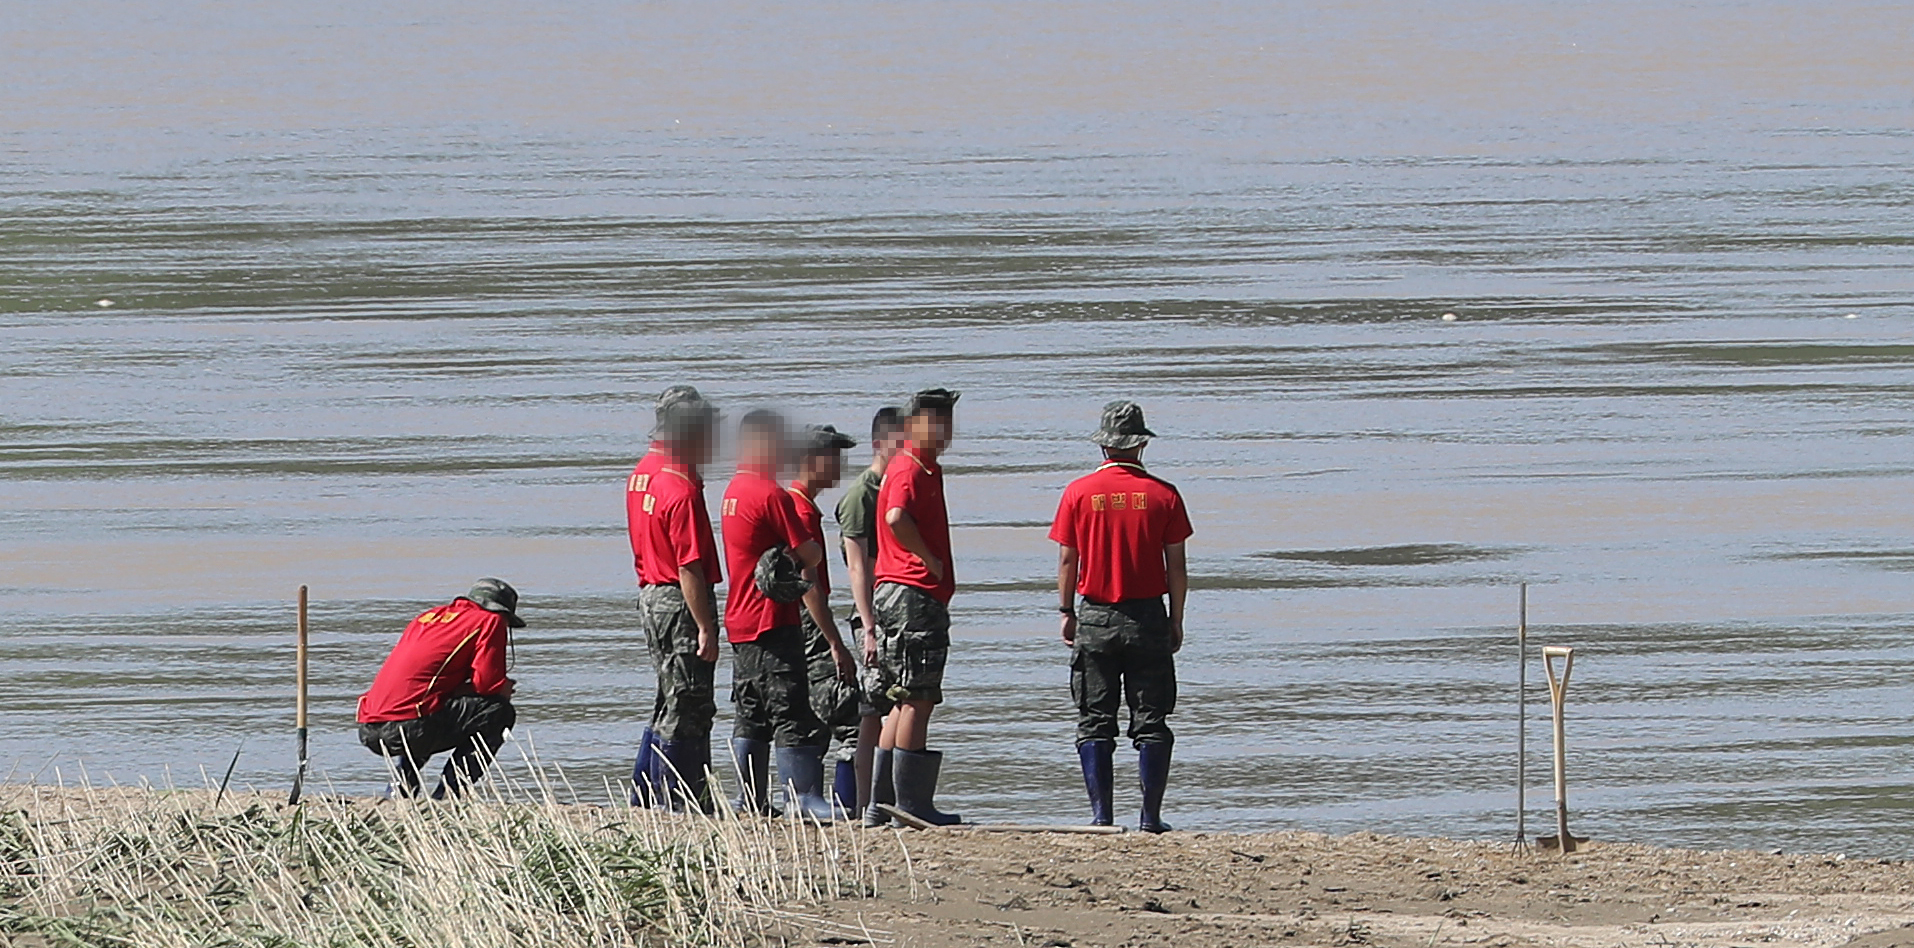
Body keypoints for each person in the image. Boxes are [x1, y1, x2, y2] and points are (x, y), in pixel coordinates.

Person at [1048, 401, 1192, 833]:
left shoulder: (1077, 493)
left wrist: (1065, 611)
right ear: (1141, 444)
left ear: (1104, 447)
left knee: (1094, 719)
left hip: (1095, 616)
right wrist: (1176, 620)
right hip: (1148, 615)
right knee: (1152, 721)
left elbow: (1066, 562)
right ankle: (1150, 818)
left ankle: (1101, 817)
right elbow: (1177, 569)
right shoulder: (1165, 495)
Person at [720, 410, 846, 820]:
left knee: (751, 712)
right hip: (771, 617)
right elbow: (811, 553)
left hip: (739, 617)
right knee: (791, 710)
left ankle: (750, 799)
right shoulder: (770, 494)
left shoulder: (732, 490)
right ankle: (803, 797)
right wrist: (797, 553)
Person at [866, 388, 962, 826]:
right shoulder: (908, 466)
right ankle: (909, 805)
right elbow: (894, 518)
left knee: (900, 698)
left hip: (902, 592)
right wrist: (928, 558)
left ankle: (879, 805)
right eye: (937, 423)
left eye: (948, 423)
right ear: (915, 424)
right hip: (911, 592)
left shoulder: (922, 466)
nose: (945, 433)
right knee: (916, 698)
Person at [627, 386, 723, 810]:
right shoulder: (680, 487)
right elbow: (689, 566)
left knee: (668, 695)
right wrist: (706, 626)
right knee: (689, 701)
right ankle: (682, 798)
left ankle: (646, 794)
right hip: (676, 597)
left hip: (650, 594)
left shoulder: (644, 470)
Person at [357, 578, 524, 799]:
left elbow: (424, 683)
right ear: (502, 613)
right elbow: (487, 685)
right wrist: (502, 689)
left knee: (427, 708)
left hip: (370, 728)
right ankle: (448, 795)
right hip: (409, 729)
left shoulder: (427, 618)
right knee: (499, 711)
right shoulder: (489, 620)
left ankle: (398, 791)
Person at [787, 424, 863, 815]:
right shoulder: (799, 508)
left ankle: (812, 796)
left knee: (811, 714)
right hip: (810, 624)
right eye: (832, 457)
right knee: (847, 711)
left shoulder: (803, 505)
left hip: (803, 622)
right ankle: (846, 802)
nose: (839, 465)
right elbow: (808, 583)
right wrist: (834, 642)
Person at [835, 407, 904, 818]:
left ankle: (881, 801)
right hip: (874, 613)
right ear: (880, 443)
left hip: (895, 610)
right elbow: (857, 566)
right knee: (874, 708)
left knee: (885, 703)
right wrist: (868, 626)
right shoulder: (863, 494)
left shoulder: (897, 486)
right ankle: (868, 804)